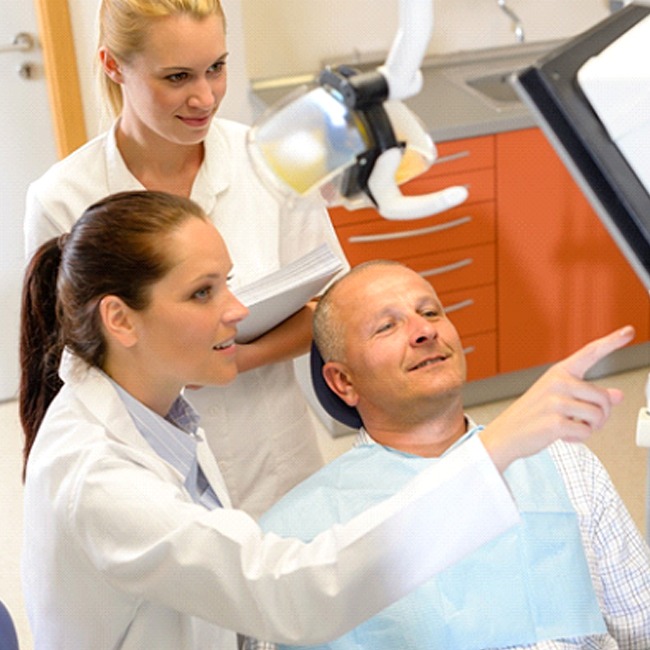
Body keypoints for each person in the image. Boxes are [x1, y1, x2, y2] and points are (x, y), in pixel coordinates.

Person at [19, 192, 634, 650]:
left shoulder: (163, 414)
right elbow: (292, 593)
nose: (238, 310)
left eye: (227, 283)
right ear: (121, 320)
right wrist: (496, 447)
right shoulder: (99, 477)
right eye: (203, 292)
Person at [23, 0, 349, 518]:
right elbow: (67, 367)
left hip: (273, 457)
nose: (205, 97)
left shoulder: (268, 161)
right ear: (113, 66)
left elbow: (331, 312)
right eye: (177, 77)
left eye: (216, 68)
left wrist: (236, 359)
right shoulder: (64, 199)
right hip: (143, 479)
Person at [251, 260, 650, 650]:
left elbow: (641, 628)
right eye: (387, 326)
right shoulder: (293, 536)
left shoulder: (565, 465)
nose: (424, 330)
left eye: (430, 312)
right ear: (343, 380)